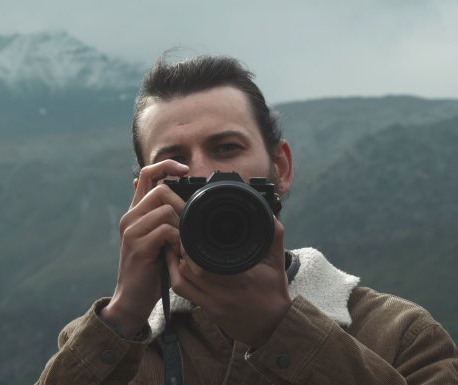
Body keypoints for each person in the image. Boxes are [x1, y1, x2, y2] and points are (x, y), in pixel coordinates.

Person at [35, 54, 458, 384]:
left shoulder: (399, 335)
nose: (200, 175)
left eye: (226, 148)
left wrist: (283, 328)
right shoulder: (110, 345)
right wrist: (125, 313)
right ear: (143, 195)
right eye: (174, 160)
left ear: (281, 168)